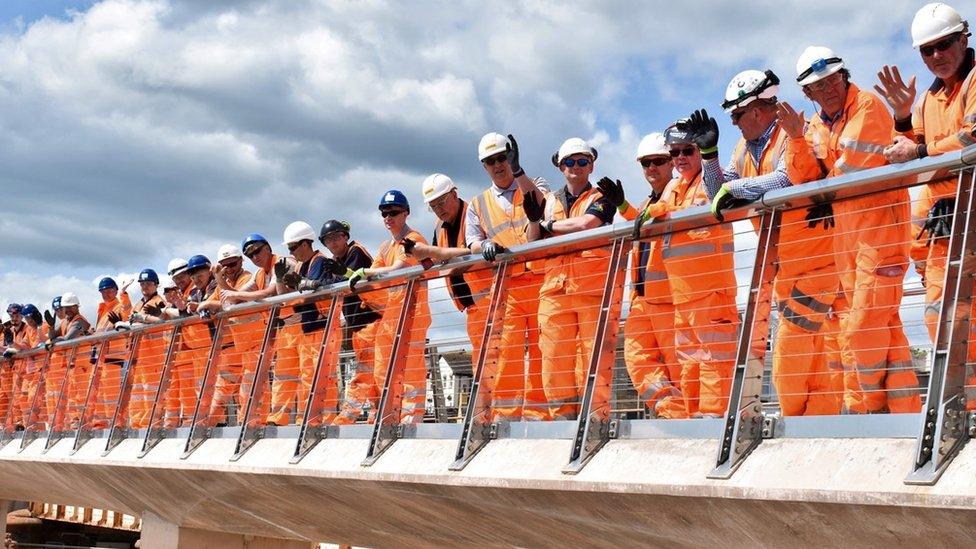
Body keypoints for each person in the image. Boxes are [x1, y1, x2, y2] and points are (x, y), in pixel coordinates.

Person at [779, 46, 921, 414]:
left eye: (831, 80)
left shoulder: (867, 106)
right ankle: (903, 414)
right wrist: (795, 139)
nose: (827, 90)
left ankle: (869, 410)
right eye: (817, 87)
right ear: (807, 94)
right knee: (883, 327)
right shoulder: (814, 125)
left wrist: (820, 185)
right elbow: (804, 177)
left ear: (844, 75)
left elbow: (851, 168)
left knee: (863, 326)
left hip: (881, 232)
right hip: (847, 239)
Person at [693, 69, 843, 416]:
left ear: (756, 110)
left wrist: (737, 190)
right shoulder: (743, 149)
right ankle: (818, 429)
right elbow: (717, 192)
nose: (734, 123)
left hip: (815, 260)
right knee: (814, 361)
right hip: (785, 265)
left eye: (737, 115)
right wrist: (710, 155)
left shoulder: (796, 132)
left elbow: (786, 178)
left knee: (789, 360)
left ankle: (796, 427)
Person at [875, 3, 976, 408]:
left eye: (944, 44)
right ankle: (967, 413)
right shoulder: (930, 99)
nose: (936, 56)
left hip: (967, 222)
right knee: (941, 320)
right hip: (944, 228)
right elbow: (913, 143)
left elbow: (971, 139)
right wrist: (901, 119)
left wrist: (919, 151)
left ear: (964, 38)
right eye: (927, 51)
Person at [525, 137, 618, 420]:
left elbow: (586, 224)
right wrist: (533, 221)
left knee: (595, 359)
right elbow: (531, 241)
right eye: (569, 162)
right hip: (554, 289)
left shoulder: (602, 198)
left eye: (582, 161)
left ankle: (596, 418)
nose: (575, 167)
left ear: (591, 165)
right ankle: (563, 419)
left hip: (592, 290)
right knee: (554, 362)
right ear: (560, 166)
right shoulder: (549, 201)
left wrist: (547, 225)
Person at [464, 132, 549, 421]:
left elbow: (541, 206)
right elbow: (471, 241)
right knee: (507, 354)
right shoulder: (477, 203)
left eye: (502, 158)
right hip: (508, 287)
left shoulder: (533, 184)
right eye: (491, 161)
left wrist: (520, 171)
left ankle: (540, 416)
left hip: (539, 281)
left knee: (543, 350)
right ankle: (505, 417)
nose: (498, 165)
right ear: (483, 166)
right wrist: (483, 246)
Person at [618, 134, 688, 418]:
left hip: (670, 299)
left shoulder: (679, 191)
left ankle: (685, 418)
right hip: (642, 298)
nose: (651, 168)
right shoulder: (648, 202)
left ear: (671, 161)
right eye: (646, 163)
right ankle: (671, 412)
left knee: (678, 364)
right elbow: (646, 226)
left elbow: (668, 217)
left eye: (658, 161)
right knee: (637, 360)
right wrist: (624, 208)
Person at [347, 190, 432, 424]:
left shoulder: (414, 239)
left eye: (393, 212)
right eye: (384, 213)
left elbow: (395, 269)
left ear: (406, 213)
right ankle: (389, 417)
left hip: (413, 315)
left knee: (411, 371)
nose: (388, 217)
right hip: (390, 316)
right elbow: (373, 275)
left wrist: (365, 272)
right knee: (383, 369)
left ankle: (410, 419)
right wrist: (354, 275)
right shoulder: (386, 246)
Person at [408, 174, 492, 388]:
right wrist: (424, 257)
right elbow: (438, 260)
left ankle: (500, 414)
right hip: (472, 306)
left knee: (495, 361)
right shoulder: (439, 227)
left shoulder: (474, 213)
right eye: (433, 206)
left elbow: (477, 251)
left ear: (454, 194)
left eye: (442, 202)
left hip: (491, 299)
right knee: (483, 365)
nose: (439, 209)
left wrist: (435, 252)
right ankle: (487, 414)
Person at [315, 220, 383, 425]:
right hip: (357, 324)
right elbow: (327, 284)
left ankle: (347, 417)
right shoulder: (334, 260)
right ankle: (376, 415)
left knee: (364, 372)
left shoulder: (356, 252)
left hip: (371, 317)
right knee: (371, 373)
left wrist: (324, 281)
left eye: (336, 237)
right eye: (328, 240)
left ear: (345, 236)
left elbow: (345, 283)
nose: (333, 243)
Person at [270, 221, 329, 425]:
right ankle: (306, 418)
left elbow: (311, 292)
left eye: (293, 248)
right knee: (307, 375)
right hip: (309, 326)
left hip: (320, 325)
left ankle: (321, 418)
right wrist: (280, 280)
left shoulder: (319, 261)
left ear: (306, 243)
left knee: (317, 374)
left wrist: (296, 283)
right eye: (289, 249)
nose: (292, 252)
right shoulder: (304, 265)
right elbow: (287, 299)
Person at [206, 244, 253, 425]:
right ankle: (215, 424)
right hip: (234, 346)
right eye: (224, 266)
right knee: (223, 390)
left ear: (240, 261)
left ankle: (249, 424)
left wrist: (219, 277)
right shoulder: (222, 282)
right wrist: (202, 306)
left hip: (252, 342)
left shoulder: (246, 278)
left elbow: (234, 298)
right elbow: (208, 304)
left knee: (248, 389)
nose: (229, 269)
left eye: (232, 264)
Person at [123, 269, 169, 429]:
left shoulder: (159, 301)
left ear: (156, 284)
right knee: (137, 397)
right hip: (139, 358)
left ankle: (150, 427)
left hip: (153, 358)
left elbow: (164, 321)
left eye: (148, 283)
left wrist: (144, 320)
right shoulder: (138, 304)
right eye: (142, 283)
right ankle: (137, 427)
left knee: (151, 396)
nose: (145, 286)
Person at [45, 292, 91, 429]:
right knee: (73, 395)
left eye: (71, 307)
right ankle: (76, 423)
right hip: (72, 364)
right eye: (65, 307)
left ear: (77, 306)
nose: (68, 310)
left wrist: (53, 341)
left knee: (81, 396)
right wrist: (51, 327)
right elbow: (55, 335)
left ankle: (85, 423)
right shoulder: (65, 321)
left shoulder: (80, 321)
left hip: (82, 364)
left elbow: (68, 339)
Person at [92, 277, 132, 429]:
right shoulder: (103, 310)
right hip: (100, 359)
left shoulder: (119, 305)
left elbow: (127, 312)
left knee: (112, 395)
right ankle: (100, 426)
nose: (106, 294)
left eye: (109, 290)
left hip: (114, 358)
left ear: (115, 290)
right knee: (101, 396)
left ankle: (116, 426)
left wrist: (124, 294)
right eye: (103, 291)